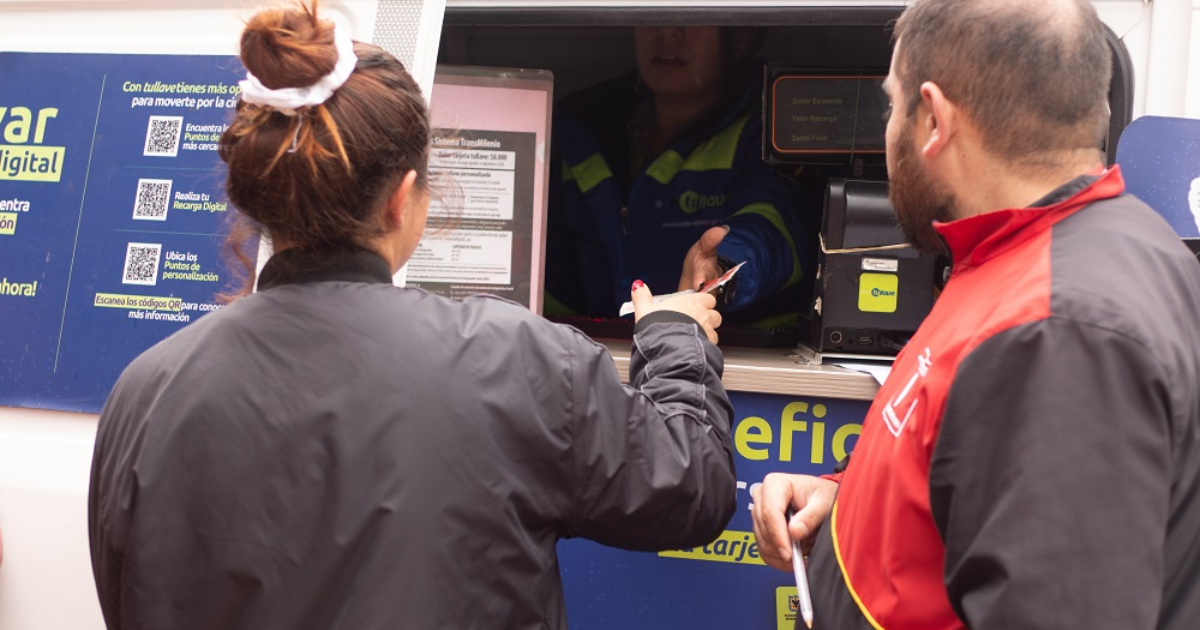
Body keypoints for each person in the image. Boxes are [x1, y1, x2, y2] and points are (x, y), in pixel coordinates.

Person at [88, 4, 737, 629]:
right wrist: (674, 335)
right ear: (403, 199)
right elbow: (692, 490)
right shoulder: (514, 360)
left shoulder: (147, 389)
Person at [750, 1, 1200, 629]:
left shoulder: (1056, 331)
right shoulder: (1041, 256)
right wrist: (845, 499)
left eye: (891, 105)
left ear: (932, 118)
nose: (886, 132)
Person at [545, 26, 817, 325]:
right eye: (654, 10)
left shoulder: (774, 126)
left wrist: (721, 270)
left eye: (693, 14)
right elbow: (553, 283)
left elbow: (776, 222)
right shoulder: (582, 130)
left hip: (734, 357)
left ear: (739, 37)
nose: (668, 31)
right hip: (612, 359)